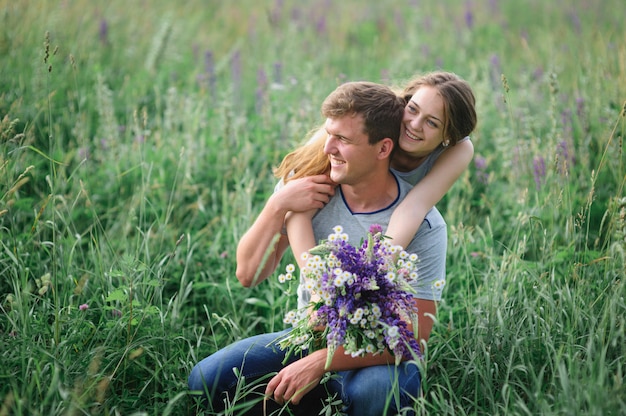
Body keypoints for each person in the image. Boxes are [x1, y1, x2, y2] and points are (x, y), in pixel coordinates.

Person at [189, 81, 447, 415]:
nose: (328, 148)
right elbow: (247, 274)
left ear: (383, 149)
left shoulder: (424, 225)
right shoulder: (309, 187)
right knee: (205, 382)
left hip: (376, 355)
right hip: (309, 337)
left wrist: (321, 363)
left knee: (380, 392)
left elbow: (413, 339)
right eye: (329, 134)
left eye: (344, 140)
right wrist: (277, 204)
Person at [275, 71, 477, 340]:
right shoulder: (380, 119)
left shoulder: (458, 149)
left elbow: (413, 207)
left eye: (431, 122)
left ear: (448, 136)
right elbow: (301, 198)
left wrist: (371, 278)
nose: (414, 124)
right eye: (413, 109)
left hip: (386, 217)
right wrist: (317, 287)